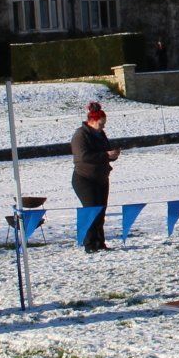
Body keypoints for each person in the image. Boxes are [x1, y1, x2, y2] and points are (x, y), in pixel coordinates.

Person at [71, 101, 120, 251]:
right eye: (101, 124)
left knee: (100, 212)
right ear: (92, 122)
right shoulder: (80, 135)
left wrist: (112, 155)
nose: (103, 127)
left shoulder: (101, 134)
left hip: (101, 178)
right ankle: (90, 244)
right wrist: (105, 155)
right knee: (91, 210)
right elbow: (83, 157)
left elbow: (104, 152)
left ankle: (100, 243)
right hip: (84, 178)